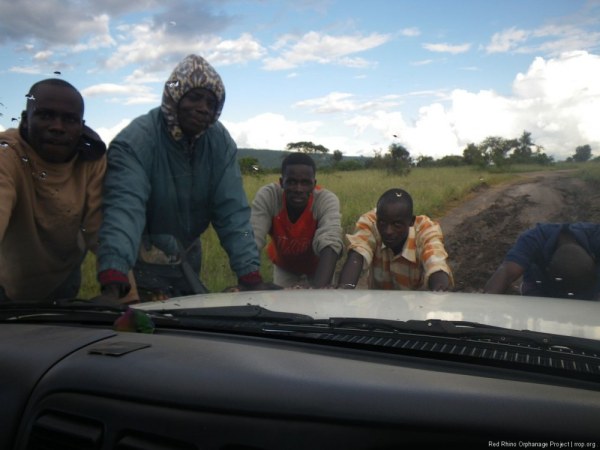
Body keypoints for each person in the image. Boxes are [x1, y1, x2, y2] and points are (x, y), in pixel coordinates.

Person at [96, 54, 273, 302]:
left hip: (188, 252)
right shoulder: (137, 140)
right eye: (194, 97)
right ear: (175, 97)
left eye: (211, 103)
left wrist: (250, 276)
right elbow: (125, 208)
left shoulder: (218, 141)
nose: (203, 108)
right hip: (140, 256)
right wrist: (114, 277)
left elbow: (232, 211)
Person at [0, 78, 106, 302]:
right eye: (45, 115)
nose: (57, 127)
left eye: (69, 119)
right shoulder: (6, 152)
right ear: (25, 120)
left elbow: (102, 231)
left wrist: (126, 297)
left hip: (63, 279)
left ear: (81, 126)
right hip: (5, 285)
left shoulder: (92, 159)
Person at [251, 152, 343, 288]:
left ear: (314, 184)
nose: (299, 189)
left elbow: (331, 240)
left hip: (319, 267)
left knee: (321, 305)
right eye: (292, 182)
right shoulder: (269, 196)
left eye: (305, 183)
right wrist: (250, 281)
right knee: (282, 306)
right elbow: (252, 236)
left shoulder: (325, 200)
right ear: (282, 182)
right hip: (285, 267)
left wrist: (318, 291)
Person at [336, 188, 453, 291]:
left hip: (417, 309)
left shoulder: (425, 229)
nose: (388, 231)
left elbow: (436, 263)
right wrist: (344, 290)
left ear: (411, 222)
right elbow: (358, 253)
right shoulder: (370, 222)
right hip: (378, 308)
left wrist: (440, 292)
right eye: (382, 223)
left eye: (397, 225)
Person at [484, 223, 600, 300]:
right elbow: (506, 273)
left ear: (593, 258)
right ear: (548, 269)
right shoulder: (533, 239)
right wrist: (485, 308)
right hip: (542, 286)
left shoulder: (596, 236)